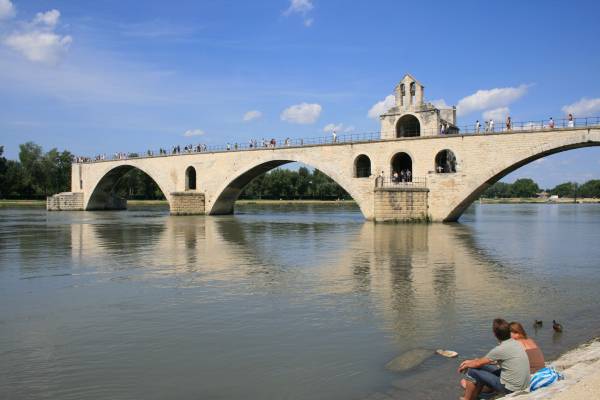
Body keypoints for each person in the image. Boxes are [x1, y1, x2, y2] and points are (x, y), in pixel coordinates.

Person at [458, 318, 530, 399]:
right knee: (479, 367)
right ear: (508, 332)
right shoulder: (516, 343)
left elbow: (478, 363)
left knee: (472, 371)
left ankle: (467, 398)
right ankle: (476, 395)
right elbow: (483, 362)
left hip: (510, 389)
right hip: (524, 385)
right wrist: (471, 362)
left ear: (495, 334)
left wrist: (466, 365)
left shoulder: (500, 349)